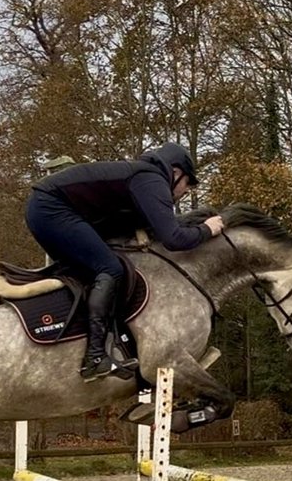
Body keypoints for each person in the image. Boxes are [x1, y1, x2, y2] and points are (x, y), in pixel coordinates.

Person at [25, 142, 225, 381]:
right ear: (175, 172)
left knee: (97, 274)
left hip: (46, 209)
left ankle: (90, 346)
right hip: (52, 208)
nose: (185, 191)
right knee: (110, 268)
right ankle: (95, 357)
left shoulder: (143, 179)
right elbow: (174, 239)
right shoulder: (152, 180)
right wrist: (207, 229)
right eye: (187, 184)